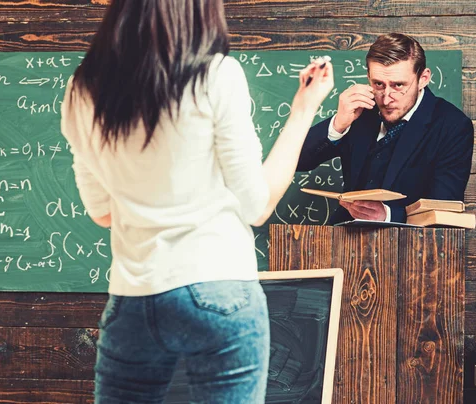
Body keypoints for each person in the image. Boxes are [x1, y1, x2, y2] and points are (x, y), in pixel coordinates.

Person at [60, 1, 333, 402]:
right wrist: (304, 108)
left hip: (134, 296)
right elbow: (257, 205)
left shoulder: (84, 88)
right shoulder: (215, 75)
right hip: (218, 287)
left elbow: (101, 211)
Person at [297, 33, 474, 224]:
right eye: (378, 84)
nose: (386, 98)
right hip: (343, 238)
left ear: (423, 78)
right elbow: (297, 161)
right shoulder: (360, 111)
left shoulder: (453, 125)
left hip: (411, 247)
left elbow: (443, 210)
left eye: (398, 85)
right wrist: (338, 124)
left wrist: (388, 216)